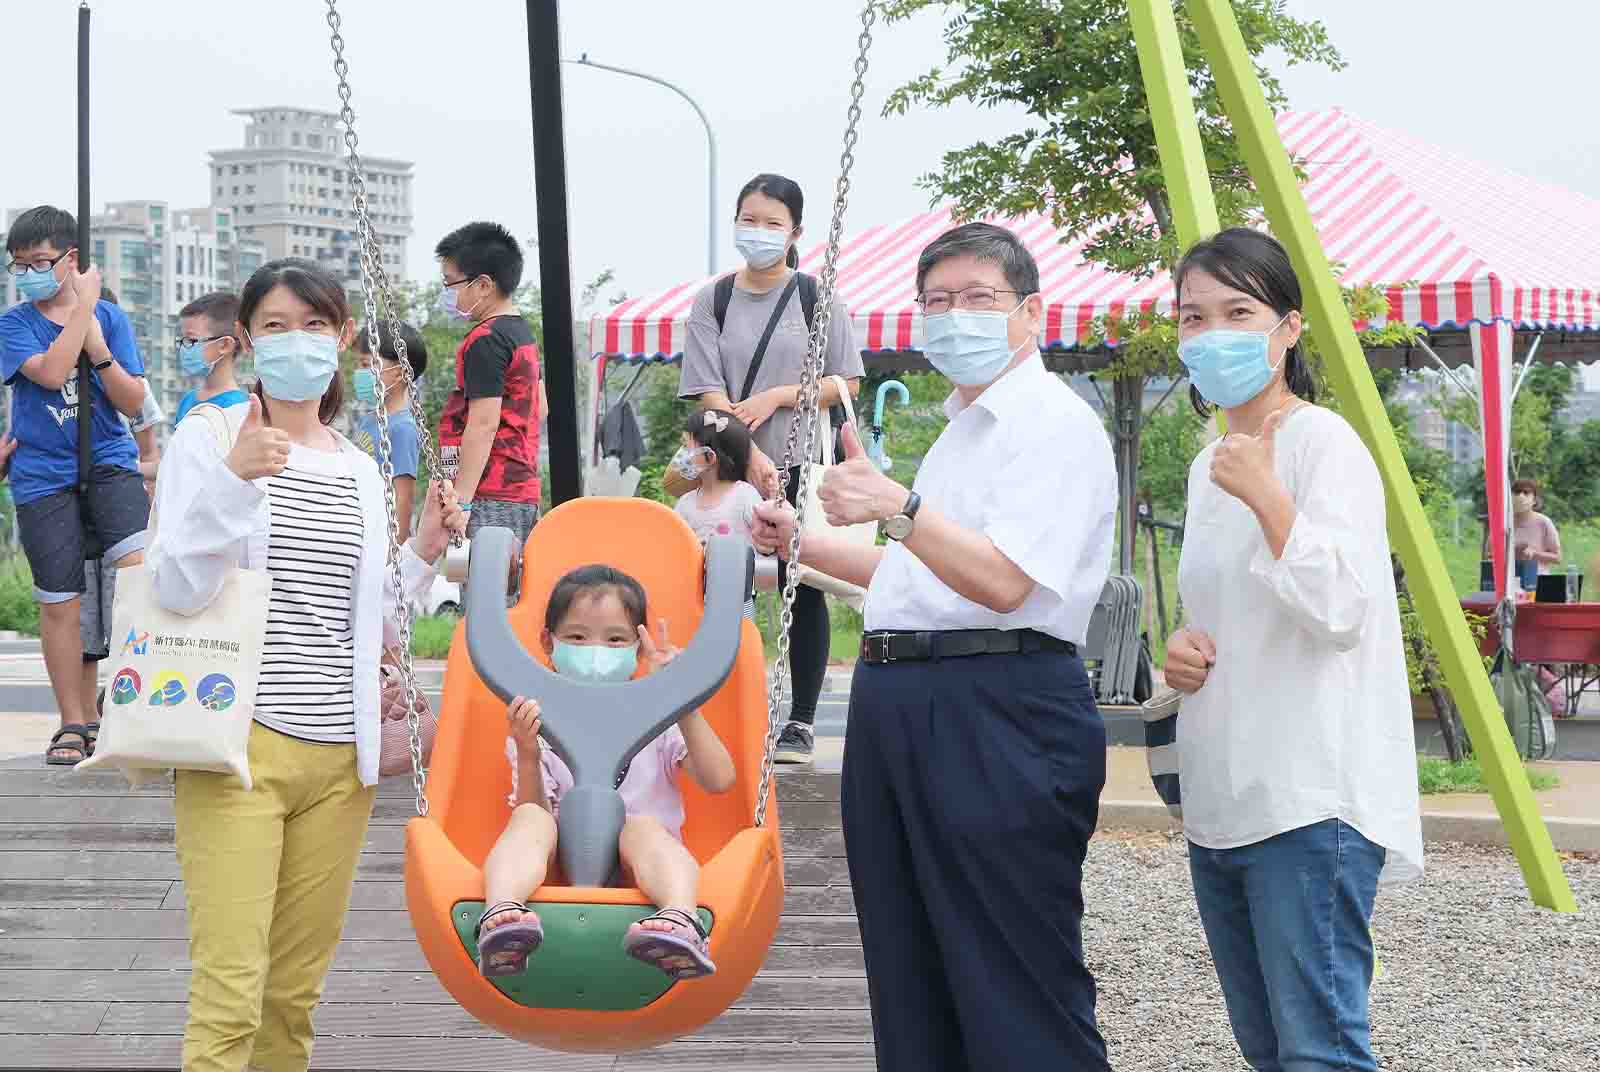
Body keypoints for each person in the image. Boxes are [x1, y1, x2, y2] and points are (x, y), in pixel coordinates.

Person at [751, 222, 1117, 1071]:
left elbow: (1005, 584)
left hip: (998, 705)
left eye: (979, 298)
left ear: (1031, 312)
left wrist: (898, 507)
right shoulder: (964, 426)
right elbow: (919, 575)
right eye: (939, 301)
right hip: (907, 701)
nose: (957, 316)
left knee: (1013, 974)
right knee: (912, 965)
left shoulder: (1050, 425)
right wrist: (798, 546)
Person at [148, 257, 466, 1072]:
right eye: (277, 327)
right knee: (230, 994)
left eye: (314, 326)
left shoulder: (360, 470)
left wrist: (425, 549)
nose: (296, 344)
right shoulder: (210, 437)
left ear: (344, 338)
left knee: (293, 996)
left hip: (342, 762)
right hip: (239, 747)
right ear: (248, 340)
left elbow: (374, 615)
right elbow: (175, 585)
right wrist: (233, 482)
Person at [1162, 227, 1424, 1072]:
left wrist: (1272, 500)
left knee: (1322, 1050)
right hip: (1223, 796)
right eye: (1193, 317)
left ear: (1288, 328)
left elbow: (1346, 606)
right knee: (1268, 1049)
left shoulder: (1322, 445)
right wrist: (1181, 651)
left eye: (1239, 312)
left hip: (1311, 799)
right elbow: (1220, 612)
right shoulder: (1210, 466)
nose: (1214, 335)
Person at [678, 174, 864, 763]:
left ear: (795, 233)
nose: (757, 232)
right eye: (748, 219)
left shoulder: (817, 296)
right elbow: (707, 392)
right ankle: (720, 710)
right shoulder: (714, 300)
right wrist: (748, 452)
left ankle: (800, 722)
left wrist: (779, 396)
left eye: (771, 223)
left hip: (802, 463)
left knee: (800, 586)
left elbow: (845, 383)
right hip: (726, 468)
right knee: (715, 585)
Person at [476, 565, 736, 981]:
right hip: (561, 863)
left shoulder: (659, 715)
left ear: (637, 647)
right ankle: (503, 913)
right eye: (578, 637)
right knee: (529, 817)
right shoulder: (538, 721)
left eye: (615, 639)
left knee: (644, 827)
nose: (596, 650)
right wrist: (527, 752)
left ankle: (681, 918)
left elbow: (719, 778)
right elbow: (536, 810)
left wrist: (682, 699)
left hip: (647, 869)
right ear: (548, 642)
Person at [1, 205, 151, 766]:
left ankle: (129, 693)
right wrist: (82, 305)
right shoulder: (14, 324)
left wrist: (99, 341)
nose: (30, 274)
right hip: (43, 475)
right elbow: (51, 372)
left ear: (71, 259)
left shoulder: (110, 318)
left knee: (136, 575)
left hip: (109, 460)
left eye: (41, 262)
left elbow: (134, 402)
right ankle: (72, 720)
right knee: (59, 598)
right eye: (20, 265)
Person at [434, 222, 546, 560]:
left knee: (485, 605)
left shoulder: (485, 339)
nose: (447, 295)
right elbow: (540, 408)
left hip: (489, 494)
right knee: (510, 603)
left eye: (449, 284)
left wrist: (464, 501)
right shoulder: (521, 334)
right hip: (521, 492)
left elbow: (483, 424)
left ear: (483, 285)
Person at [671, 408, 766, 619]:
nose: (681, 455)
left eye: (686, 447)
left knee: (738, 642)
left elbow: (766, 537)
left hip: (737, 597)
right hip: (692, 598)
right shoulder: (685, 504)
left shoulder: (744, 496)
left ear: (709, 457)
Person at [352, 321, 427, 541]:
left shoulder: (403, 429)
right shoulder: (368, 421)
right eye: (359, 364)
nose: (359, 372)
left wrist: (395, 555)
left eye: (367, 365)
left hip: (380, 539)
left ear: (399, 373)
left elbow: (403, 498)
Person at [174, 291, 249, 425]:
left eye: (191, 340)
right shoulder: (188, 400)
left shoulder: (239, 408)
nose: (183, 348)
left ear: (225, 345)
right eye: (182, 340)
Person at [1511, 477, 1561, 593]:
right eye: (1517, 492)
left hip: (1537, 585)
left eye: (1526, 493)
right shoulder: (1503, 522)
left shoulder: (1543, 522)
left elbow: (1557, 557)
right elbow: (1490, 555)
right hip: (1509, 585)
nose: (1521, 496)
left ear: (1534, 500)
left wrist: (1534, 553)